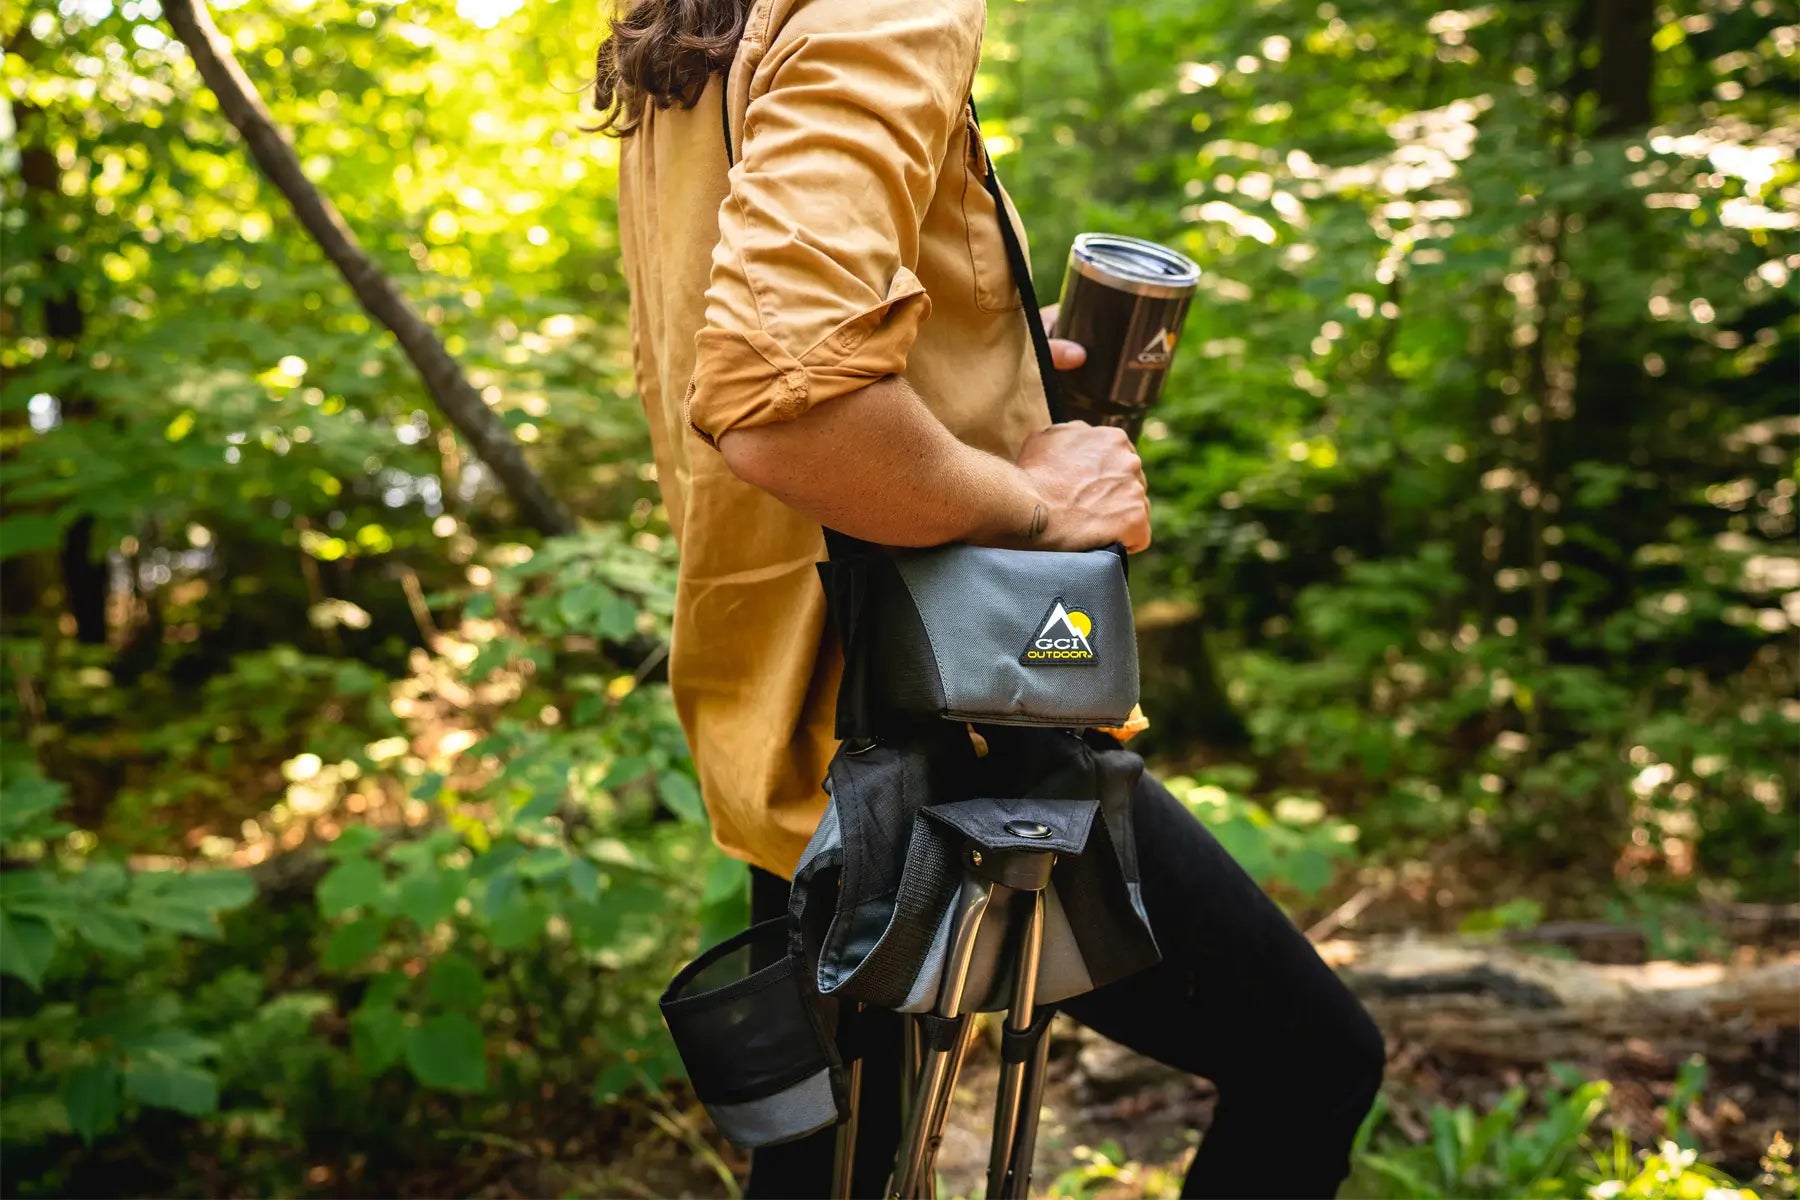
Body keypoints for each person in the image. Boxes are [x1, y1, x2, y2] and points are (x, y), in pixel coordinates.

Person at [597, 0, 1386, 1195]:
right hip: (941, 705)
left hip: (789, 691)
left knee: (840, 1160)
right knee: (1310, 1063)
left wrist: (1005, 351)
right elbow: (780, 401)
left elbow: (741, 351)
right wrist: (1040, 507)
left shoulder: (695, 31)